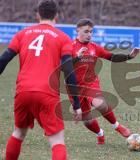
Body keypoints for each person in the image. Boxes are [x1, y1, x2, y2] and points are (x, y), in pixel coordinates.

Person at [0, 0, 81, 159]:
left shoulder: (22, 34)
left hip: (23, 91)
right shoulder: (63, 38)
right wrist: (76, 103)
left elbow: (3, 60)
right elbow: (69, 71)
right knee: (57, 141)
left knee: (18, 133)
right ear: (57, 15)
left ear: (38, 14)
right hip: (47, 93)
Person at [72, 18, 140, 145]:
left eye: (91, 32)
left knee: (100, 104)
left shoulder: (95, 47)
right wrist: (77, 58)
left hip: (91, 84)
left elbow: (112, 57)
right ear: (78, 31)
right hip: (75, 89)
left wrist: (129, 56)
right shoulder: (69, 47)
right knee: (87, 120)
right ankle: (100, 134)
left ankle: (117, 126)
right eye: (86, 31)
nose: (89, 34)